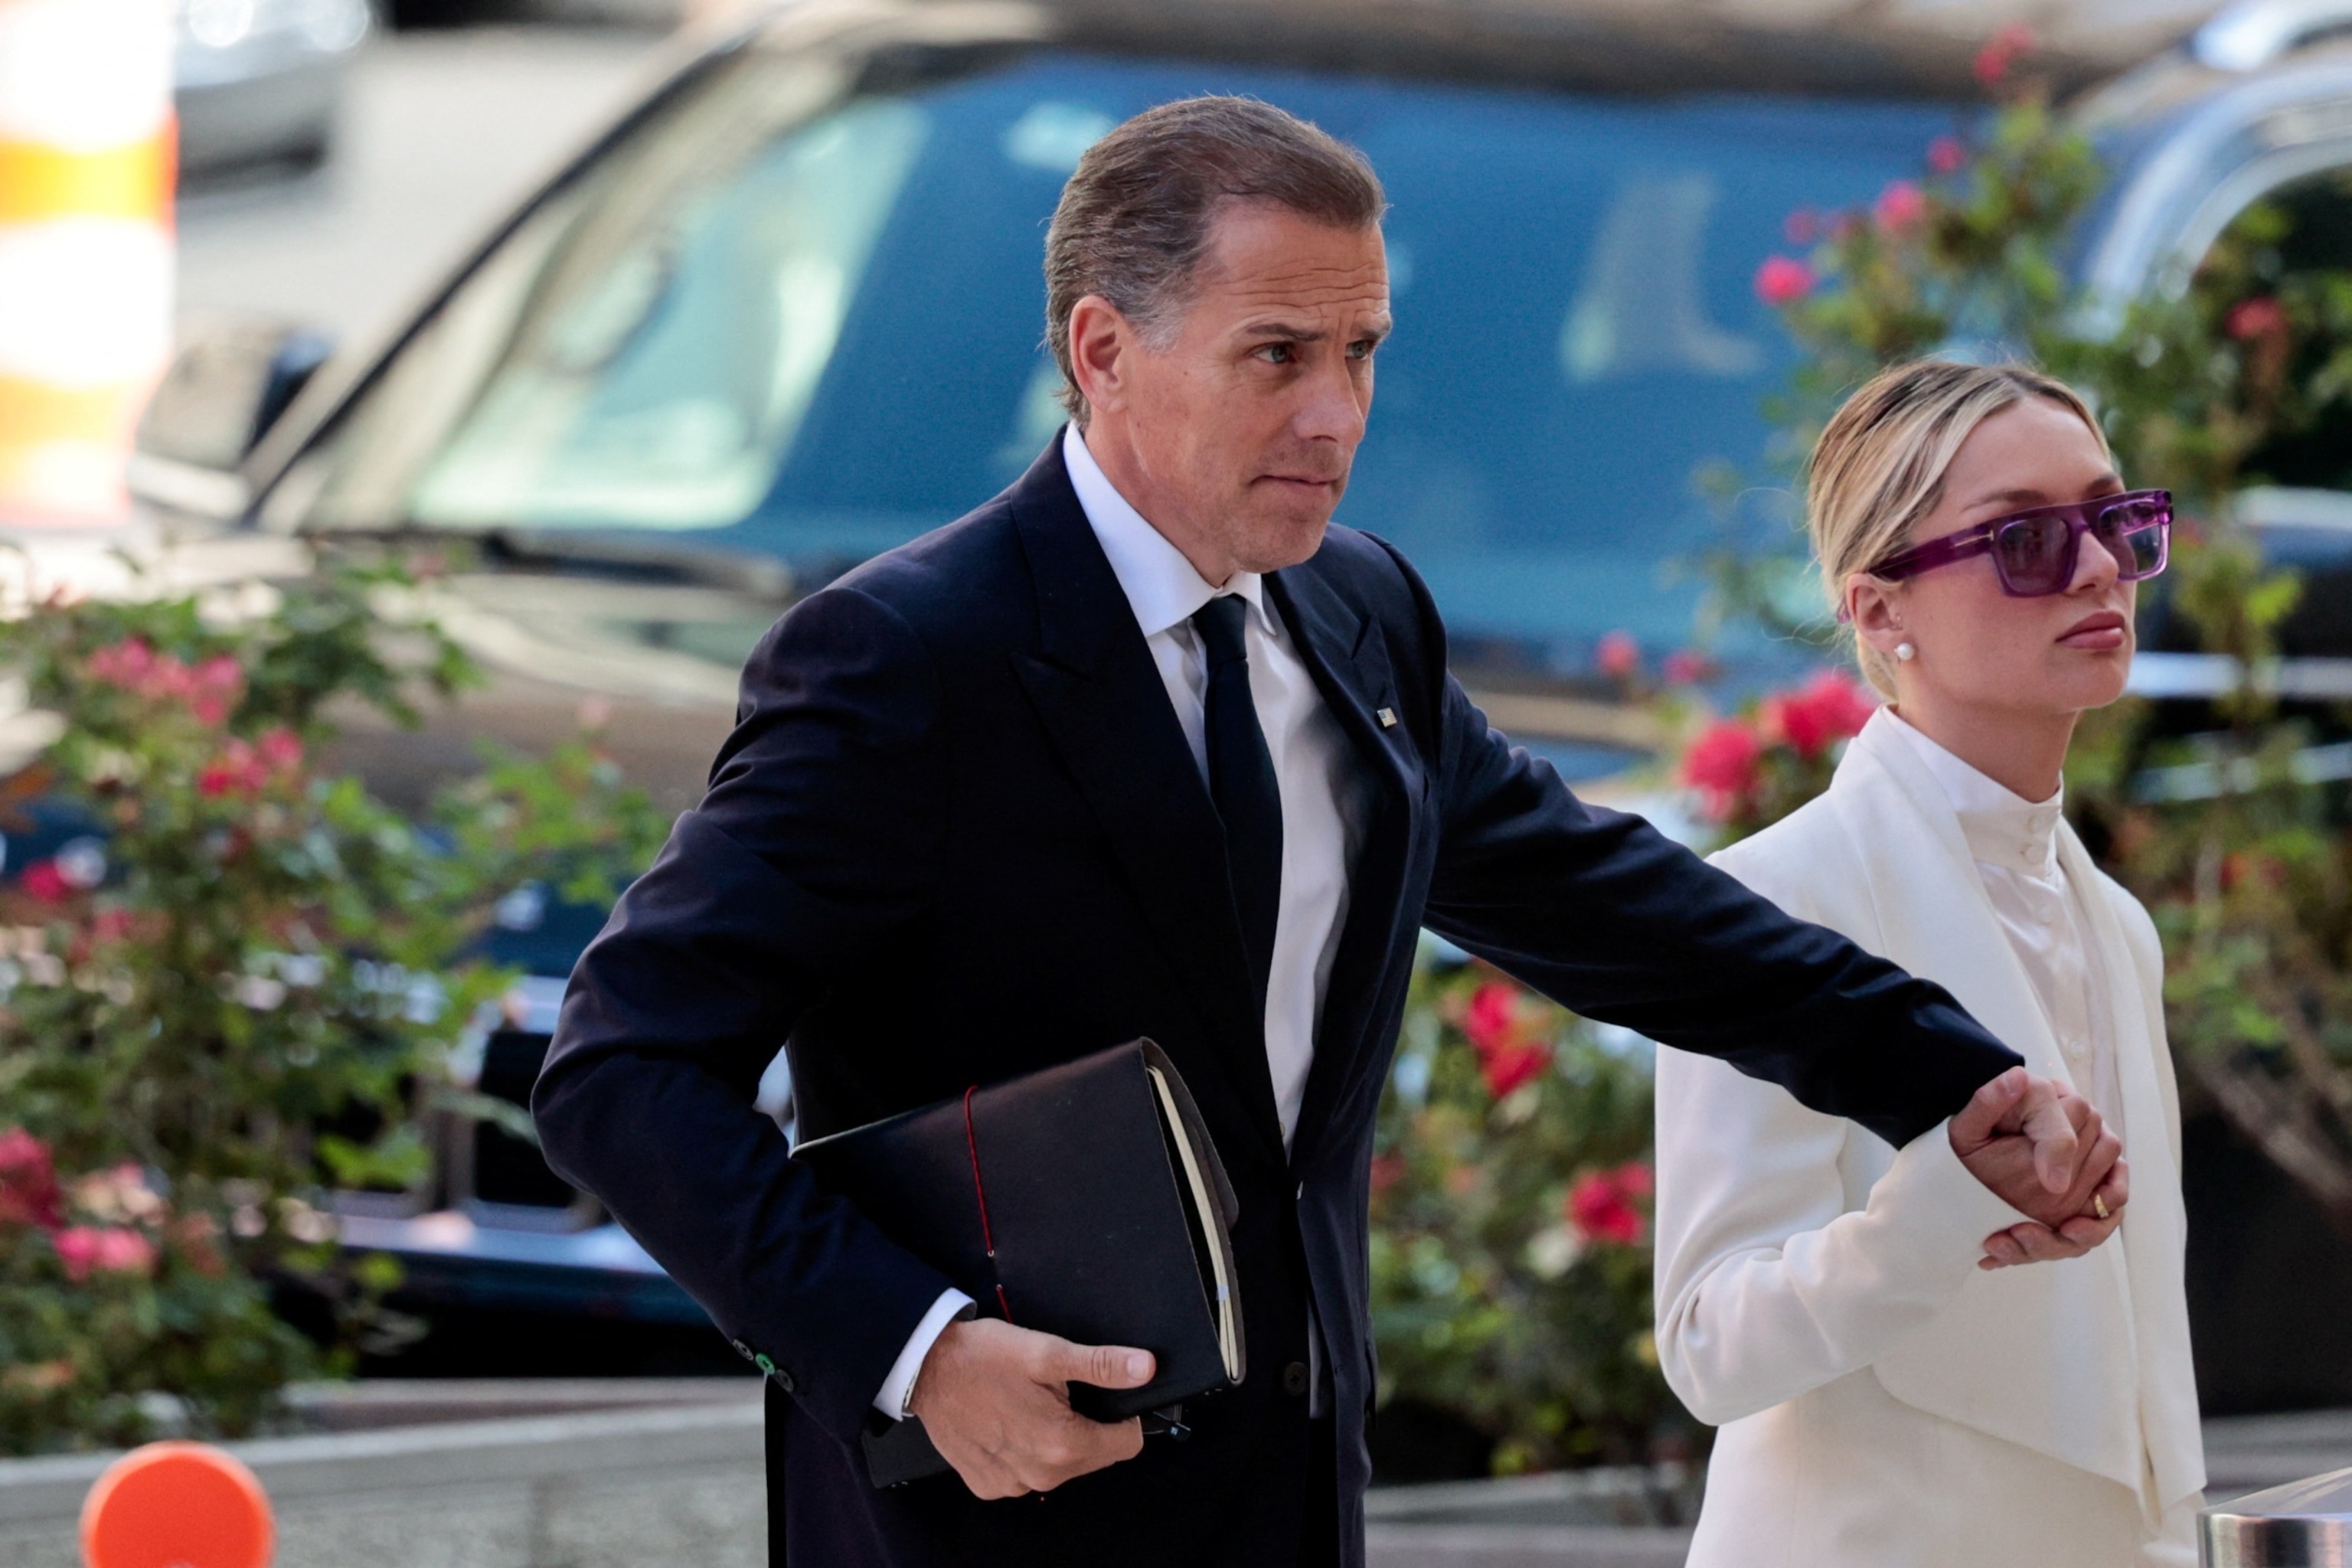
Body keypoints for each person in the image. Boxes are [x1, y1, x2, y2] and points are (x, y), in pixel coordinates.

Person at [532, 103, 2117, 1568]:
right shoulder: (907, 662)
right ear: (1103, 350)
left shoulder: (1360, 613)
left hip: (1287, 1501)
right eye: (1276, 354)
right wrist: (920, 1349)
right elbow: (621, 1071)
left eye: (1361, 351)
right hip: (991, 1504)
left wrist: (1950, 1076)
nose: (1336, 413)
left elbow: (1609, 902)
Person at [1653, 359, 2203, 1567]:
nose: (2102, 566)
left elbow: (2138, 1377)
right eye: (2025, 540)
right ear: (1879, 610)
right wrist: (1944, 1209)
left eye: (2115, 519)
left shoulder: (2113, 920)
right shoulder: (1779, 899)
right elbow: (1709, 1346)